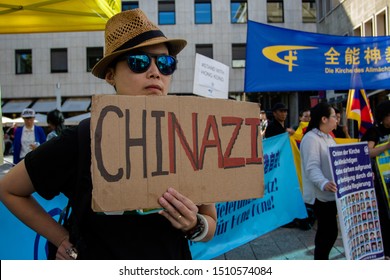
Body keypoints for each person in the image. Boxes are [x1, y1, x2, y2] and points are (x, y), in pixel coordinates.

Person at [0, 9, 217, 260]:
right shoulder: (83, 138)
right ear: (111, 75)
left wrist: (194, 225)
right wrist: (61, 239)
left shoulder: (188, 135)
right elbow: (9, 189)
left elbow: (210, 221)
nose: (156, 72)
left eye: (166, 64)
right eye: (140, 61)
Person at [300, 102, 338, 260]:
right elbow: (312, 168)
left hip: (331, 194)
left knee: (330, 232)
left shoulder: (329, 138)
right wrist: (323, 183)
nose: (337, 120)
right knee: (326, 234)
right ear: (324, 119)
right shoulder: (311, 139)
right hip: (320, 196)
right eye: (334, 117)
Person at [361, 99, 390, 258]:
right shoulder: (374, 132)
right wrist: (385, 147)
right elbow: (366, 152)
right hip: (379, 182)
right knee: (384, 216)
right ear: (383, 117)